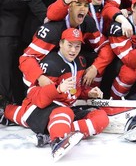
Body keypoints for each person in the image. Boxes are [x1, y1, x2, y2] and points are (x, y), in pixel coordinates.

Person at [3, 28, 109, 160]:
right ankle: (57, 141)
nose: (73, 50)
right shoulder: (50, 63)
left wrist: (89, 93)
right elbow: (35, 96)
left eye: (77, 46)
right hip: (41, 109)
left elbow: (75, 89)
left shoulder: (80, 61)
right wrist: (57, 89)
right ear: (60, 43)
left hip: (64, 111)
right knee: (63, 113)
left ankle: (53, 133)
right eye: (69, 45)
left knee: (101, 118)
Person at [19, 0, 114, 91]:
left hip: (69, 61)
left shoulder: (88, 22)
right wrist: (40, 77)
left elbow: (105, 46)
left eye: (85, 5)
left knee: (86, 60)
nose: (83, 8)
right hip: (48, 67)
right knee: (54, 63)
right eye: (78, 4)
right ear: (69, 8)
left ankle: (87, 93)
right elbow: (26, 58)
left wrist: (95, 67)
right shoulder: (52, 30)